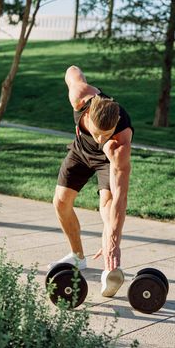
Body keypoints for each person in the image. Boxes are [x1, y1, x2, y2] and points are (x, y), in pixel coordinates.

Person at [49, 65, 134, 297]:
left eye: (105, 135)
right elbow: (72, 70)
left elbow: (120, 198)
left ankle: (110, 269)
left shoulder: (119, 144)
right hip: (79, 151)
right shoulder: (80, 95)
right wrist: (71, 75)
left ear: (115, 122)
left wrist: (114, 239)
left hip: (106, 161)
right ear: (87, 114)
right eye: (97, 133)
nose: (100, 139)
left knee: (107, 210)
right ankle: (78, 257)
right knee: (61, 202)